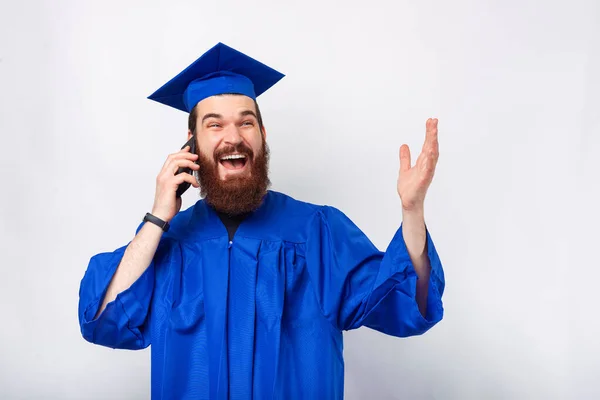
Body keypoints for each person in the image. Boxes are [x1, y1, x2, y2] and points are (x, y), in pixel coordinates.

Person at [78, 42, 445, 399]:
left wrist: (412, 210)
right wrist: (157, 219)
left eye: (246, 122)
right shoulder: (167, 245)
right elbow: (102, 319)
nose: (233, 137)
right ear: (191, 145)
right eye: (214, 125)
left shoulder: (317, 231)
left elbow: (406, 302)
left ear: (262, 136)